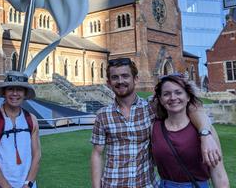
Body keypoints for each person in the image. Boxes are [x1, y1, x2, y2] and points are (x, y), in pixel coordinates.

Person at [90, 58, 221, 188]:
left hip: (145, 184)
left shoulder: (151, 108)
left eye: (125, 76)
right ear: (108, 82)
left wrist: (205, 134)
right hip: (112, 184)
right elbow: (97, 153)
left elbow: (191, 107)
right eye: (115, 77)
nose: (120, 81)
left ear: (135, 79)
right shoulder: (103, 115)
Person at [152, 74, 229, 188]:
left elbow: (219, 174)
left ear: (188, 97)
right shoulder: (154, 128)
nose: (173, 97)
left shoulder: (206, 130)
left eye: (178, 92)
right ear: (160, 99)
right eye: (166, 94)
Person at [0, 71, 41, 188]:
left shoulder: (31, 119)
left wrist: (28, 184)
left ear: (24, 93)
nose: (14, 93)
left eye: (19, 89)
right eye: (10, 89)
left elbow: (37, 155)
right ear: (4, 92)